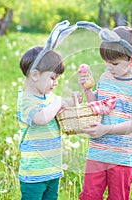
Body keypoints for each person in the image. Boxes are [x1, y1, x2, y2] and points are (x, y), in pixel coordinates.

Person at [78, 26, 132, 200]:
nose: (109, 67)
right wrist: (87, 89)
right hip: (97, 151)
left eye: (114, 64)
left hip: (121, 157)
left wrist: (106, 129)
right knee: (89, 195)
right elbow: (98, 106)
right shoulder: (106, 77)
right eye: (106, 62)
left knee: (118, 196)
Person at [17, 46, 82, 200]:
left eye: (57, 79)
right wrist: (60, 102)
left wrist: (72, 102)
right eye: (53, 78)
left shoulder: (50, 97)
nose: (56, 83)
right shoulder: (25, 100)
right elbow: (41, 118)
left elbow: (61, 105)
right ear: (35, 75)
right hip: (34, 173)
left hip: (53, 169)